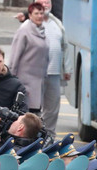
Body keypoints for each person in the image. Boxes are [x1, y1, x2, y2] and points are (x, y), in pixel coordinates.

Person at [37, 0, 70, 134]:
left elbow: (65, 46)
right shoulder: (30, 24)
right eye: (42, 1)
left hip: (54, 73)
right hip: (36, 74)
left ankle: (49, 136)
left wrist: (67, 69)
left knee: (53, 109)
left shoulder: (57, 23)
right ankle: (34, 135)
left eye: (47, 2)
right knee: (35, 108)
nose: (45, 4)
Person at [9, 2, 49, 114]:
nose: (40, 16)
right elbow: (14, 55)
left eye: (41, 13)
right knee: (26, 112)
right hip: (25, 81)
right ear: (30, 15)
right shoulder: (24, 30)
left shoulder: (42, 30)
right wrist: (11, 77)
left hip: (39, 81)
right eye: (36, 13)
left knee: (35, 113)